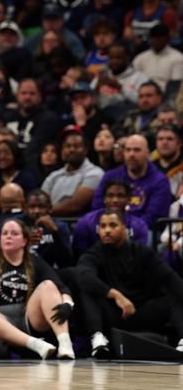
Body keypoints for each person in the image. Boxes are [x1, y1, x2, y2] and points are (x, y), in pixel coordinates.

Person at [0, 219, 75, 360]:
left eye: (14, 233)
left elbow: (61, 286)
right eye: (4, 233)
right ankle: (36, 345)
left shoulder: (34, 260)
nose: (8, 236)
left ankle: (65, 343)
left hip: (29, 318)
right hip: (0, 321)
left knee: (48, 285)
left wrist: (68, 303)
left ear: (25, 241)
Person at [77, 210, 183, 356]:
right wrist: (114, 294)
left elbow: (170, 277)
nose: (107, 230)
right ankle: (98, 339)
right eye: (102, 226)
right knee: (88, 291)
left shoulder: (142, 251)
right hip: (115, 314)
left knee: (173, 293)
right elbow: (83, 276)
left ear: (125, 229)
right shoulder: (94, 253)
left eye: (113, 225)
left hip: (142, 311)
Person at [91, 134, 171, 227]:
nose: (131, 154)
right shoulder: (110, 176)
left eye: (137, 150)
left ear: (147, 153)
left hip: (144, 230)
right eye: (128, 150)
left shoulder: (160, 181)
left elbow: (153, 217)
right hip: (109, 227)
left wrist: (124, 228)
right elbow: (97, 207)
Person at [73, 180, 149, 257]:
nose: (115, 200)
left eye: (120, 196)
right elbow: (80, 253)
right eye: (110, 195)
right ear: (104, 199)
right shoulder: (86, 222)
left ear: (129, 200)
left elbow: (140, 255)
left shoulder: (139, 225)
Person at [41, 129, 104, 216]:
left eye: (76, 146)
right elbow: (42, 201)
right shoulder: (54, 176)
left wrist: (44, 211)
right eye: (68, 146)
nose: (71, 149)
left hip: (75, 222)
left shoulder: (95, 173)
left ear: (86, 150)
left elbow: (75, 205)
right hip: (49, 219)